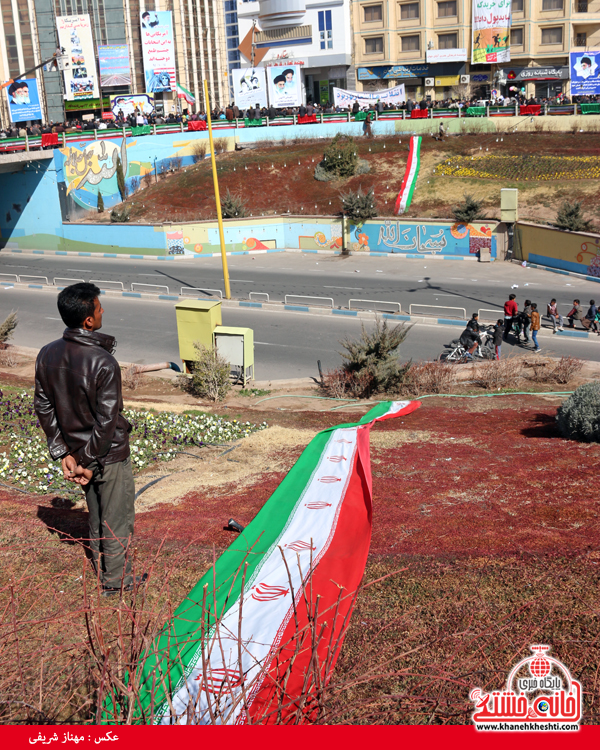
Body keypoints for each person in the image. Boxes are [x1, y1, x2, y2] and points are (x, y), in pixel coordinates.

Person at [34, 283, 146, 597]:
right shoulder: (103, 363)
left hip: (77, 451)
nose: (103, 311)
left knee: (96, 512)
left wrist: (64, 452)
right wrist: (86, 461)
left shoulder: (47, 353)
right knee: (117, 516)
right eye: (99, 307)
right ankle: (115, 581)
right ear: (88, 320)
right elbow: (106, 421)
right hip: (106, 455)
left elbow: (43, 405)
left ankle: (101, 565)